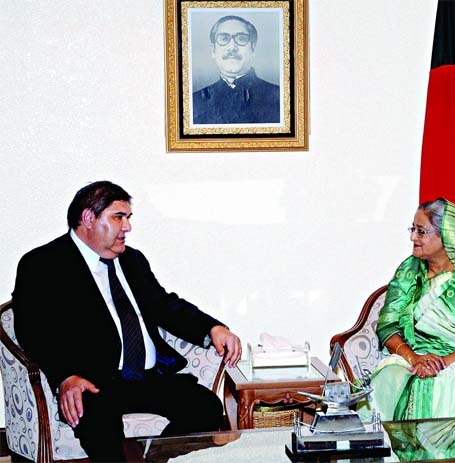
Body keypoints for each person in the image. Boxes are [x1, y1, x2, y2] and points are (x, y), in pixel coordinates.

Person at [11, 180, 242, 462]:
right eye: (118, 217)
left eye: (128, 218)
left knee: (204, 407)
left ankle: (154, 459)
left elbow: (165, 305)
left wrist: (212, 328)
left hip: (148, 377)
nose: (127, 227)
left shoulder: (132, 260)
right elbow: (33, 329)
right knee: (98, 422)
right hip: (93, 382)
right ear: (88, 218)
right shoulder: (44, 264)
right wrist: (65, 376)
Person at [357, 198, 455, 428]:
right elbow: (387, 325)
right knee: (387, 382)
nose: (413, 238)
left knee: (447, 387)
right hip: (412, 361)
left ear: (446, 235)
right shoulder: (409, 269)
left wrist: (441, 364)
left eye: (421, 231)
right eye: (413, 229)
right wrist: (414, 358)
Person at [192, 15, 280, 125]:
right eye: (224, 39)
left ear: (253, 49)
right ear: (213, 50)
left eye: (241, 39)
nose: (232, 47)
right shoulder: (194, 102)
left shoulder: (280, 98)